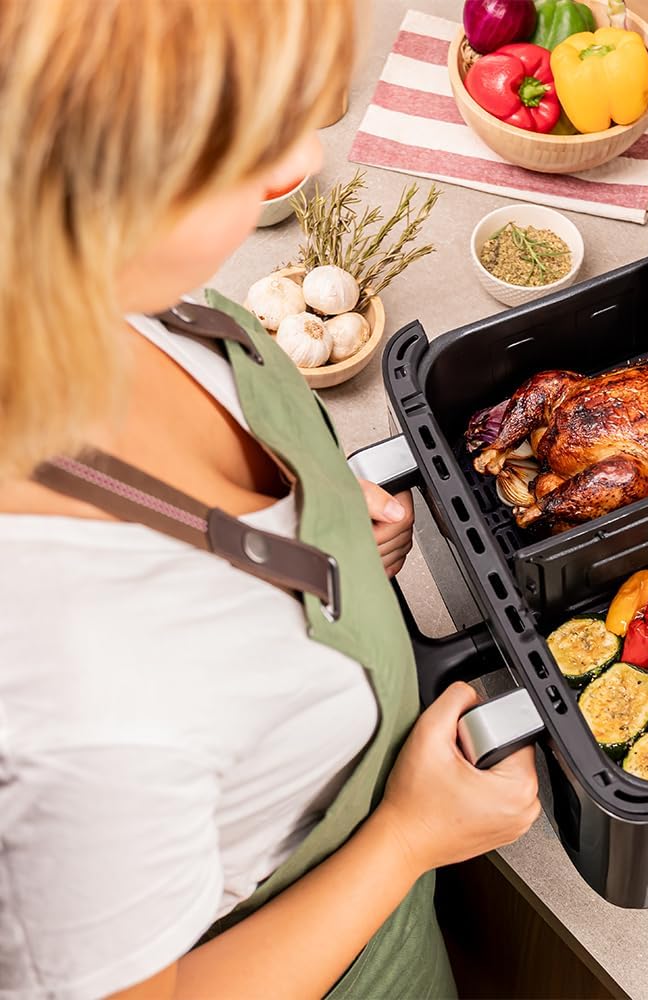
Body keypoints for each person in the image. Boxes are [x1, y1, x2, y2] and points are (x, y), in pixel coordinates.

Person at [0, 2, 540, 998]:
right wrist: (408, 838)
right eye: (251, 139)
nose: (299, 158)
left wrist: (319, 535)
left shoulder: (66, 292)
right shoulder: (77, 708)